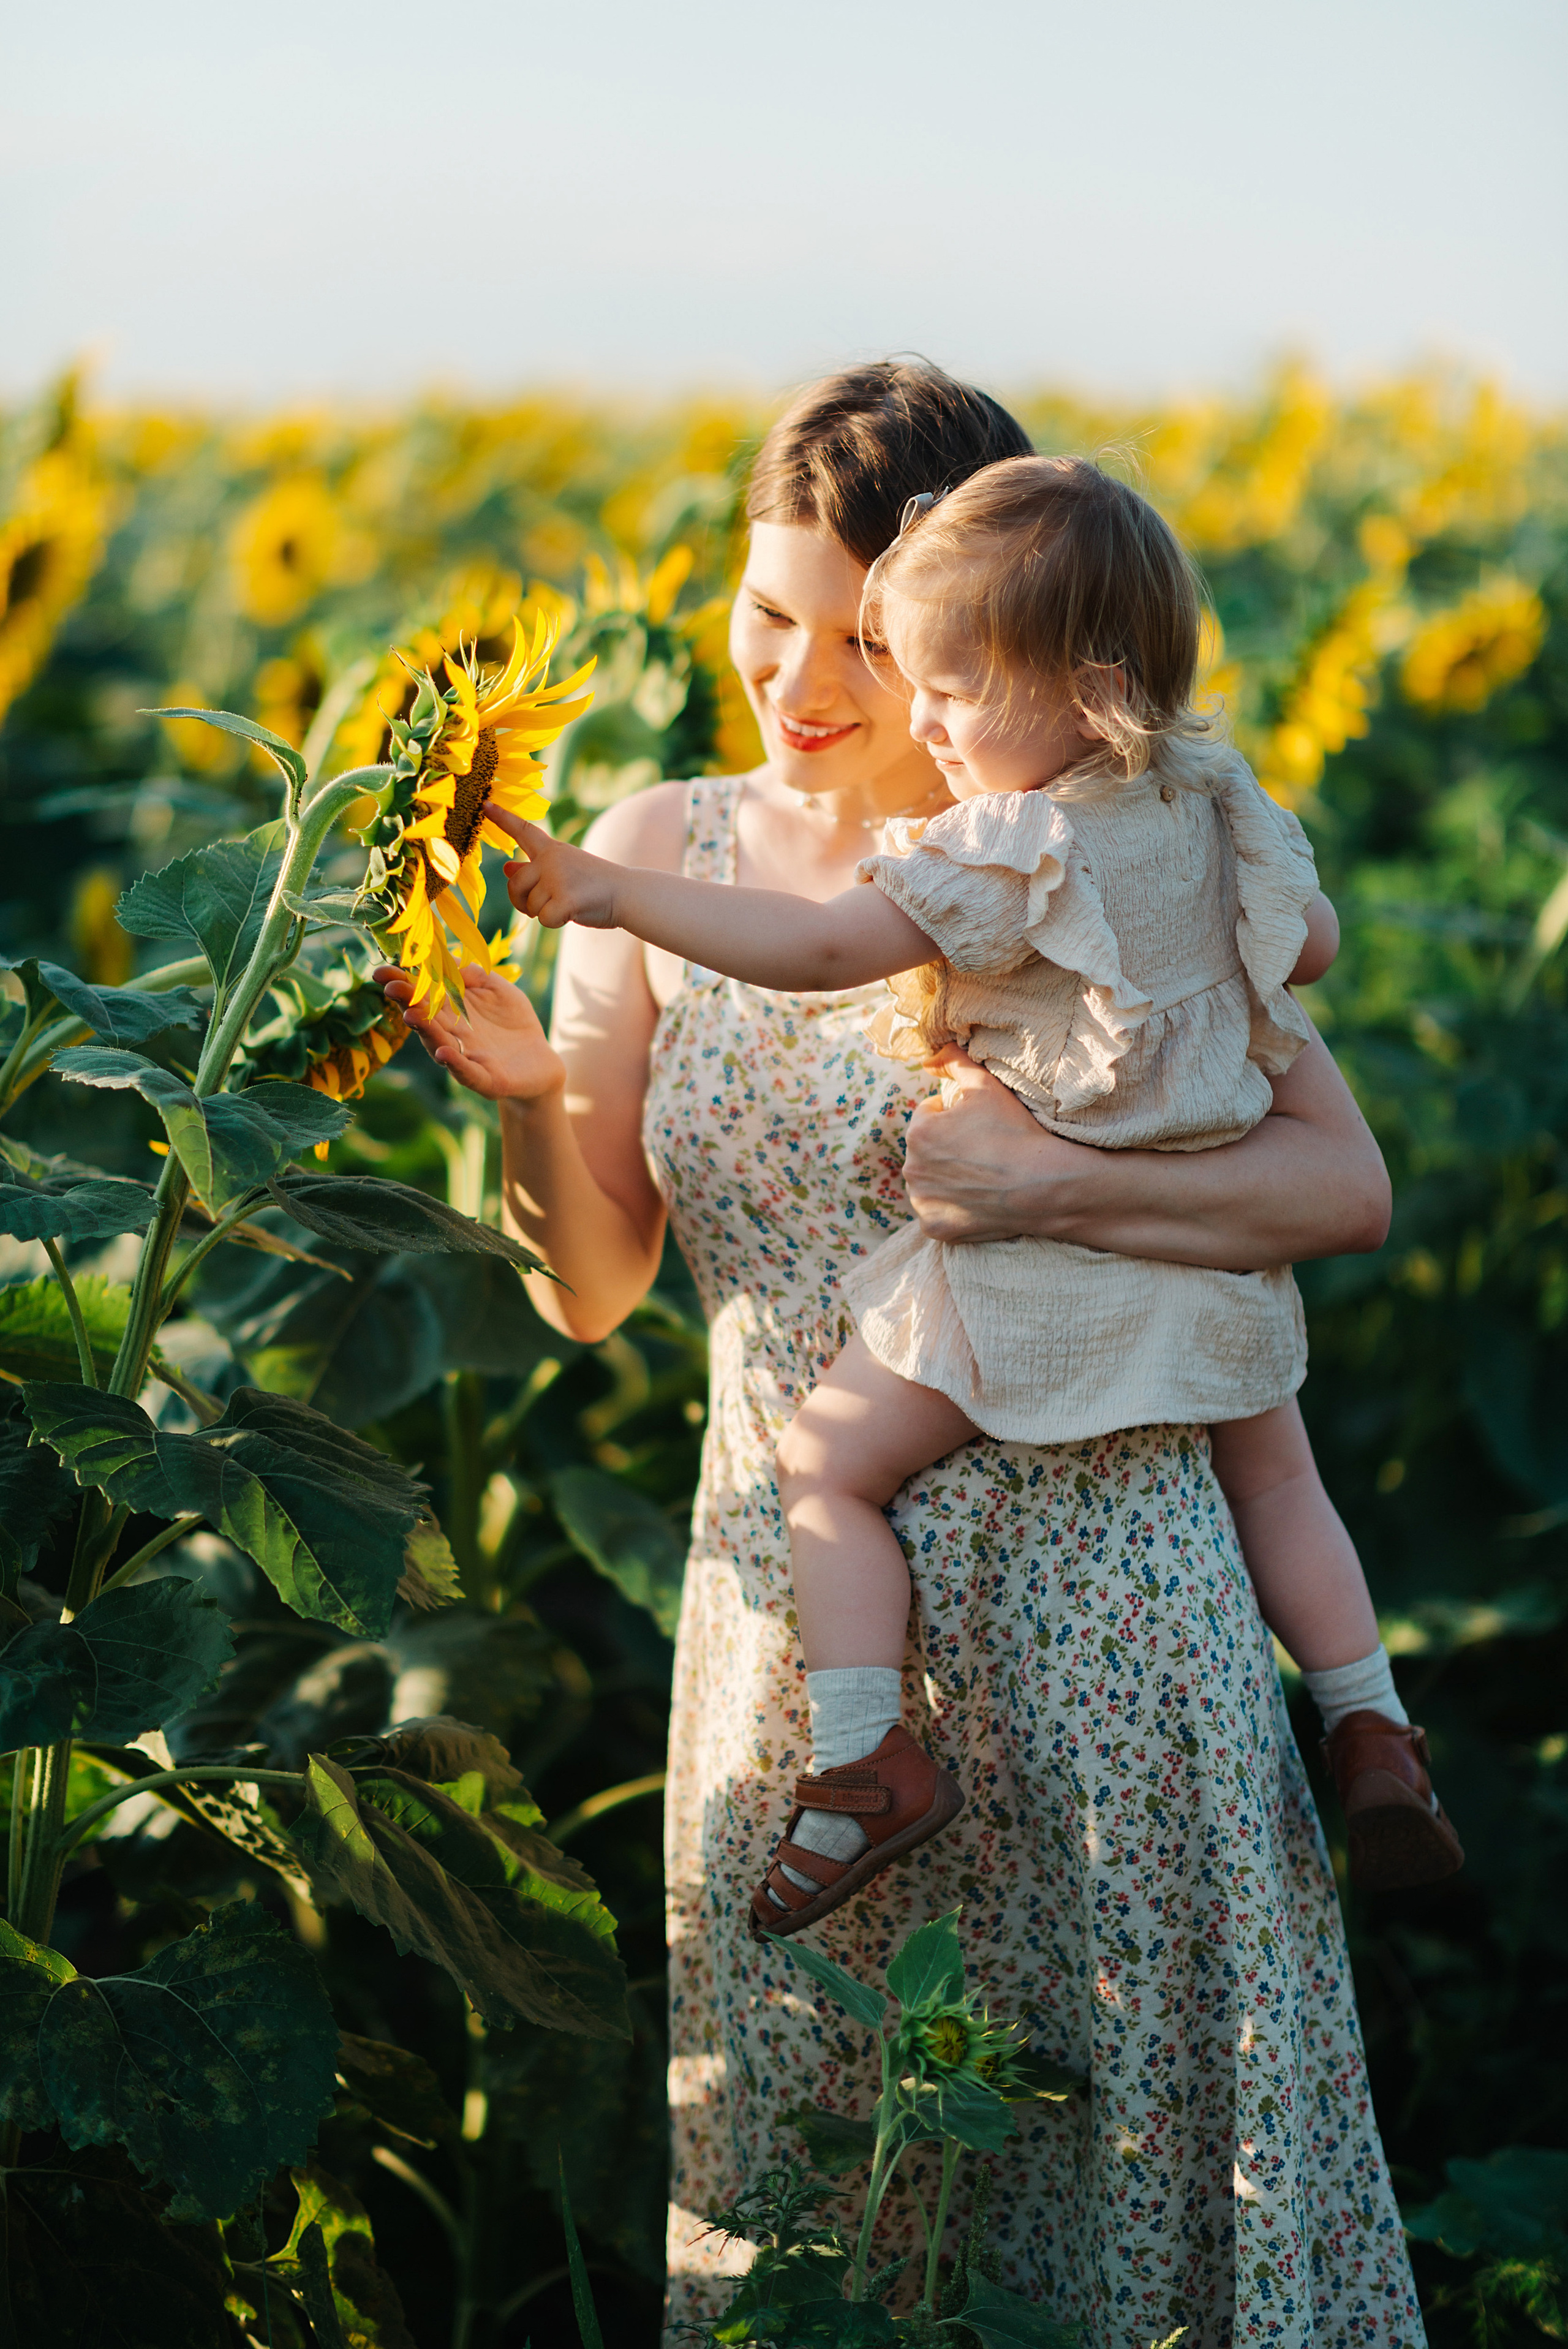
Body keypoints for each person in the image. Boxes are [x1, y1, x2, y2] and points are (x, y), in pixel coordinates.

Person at [379, 362, 1427, 2347]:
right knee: (826, 2217)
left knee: (1130, 2207)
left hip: (1105, 1598)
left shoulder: (1077, 836)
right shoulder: (655, 842)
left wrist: (1041, 1181)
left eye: (866, 635)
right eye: (767, 610)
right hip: (809, 1644)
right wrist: (528, 1097)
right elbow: (588, 1284)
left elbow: (1336, 1187)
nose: (801, 674)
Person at [491, 453, 1461, 1937]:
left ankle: (865, 1750)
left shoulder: (992, 849)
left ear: (1065, 673)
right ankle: (1370, 1727)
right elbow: (1301, 947)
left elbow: (825, 950)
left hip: (1086, 1542)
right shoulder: (1211, 806)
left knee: (827, 1468)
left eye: (896, 657)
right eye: (767, 613)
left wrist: (613, 895)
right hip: (1198, 1296)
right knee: (1282, 1476)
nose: (835, 686)